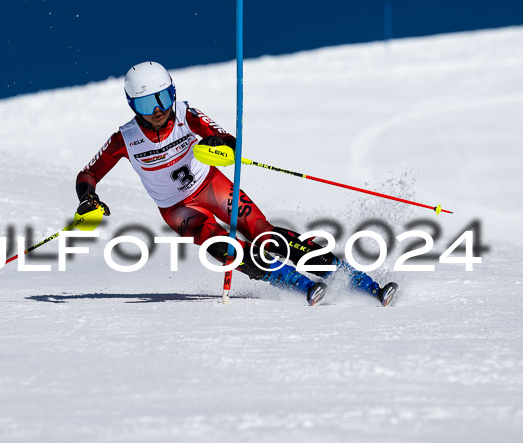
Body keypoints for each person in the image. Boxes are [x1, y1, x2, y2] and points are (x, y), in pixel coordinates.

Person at [75, 61, 397, 306]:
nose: (159, 110)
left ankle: (362, 283)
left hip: (211, 186)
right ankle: (298, 285)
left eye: (163, 98)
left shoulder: (187, 116)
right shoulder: (125, 138)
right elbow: (87, 175)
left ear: (173, 93)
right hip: (177, 209)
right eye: (148, 104)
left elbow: (228, 139)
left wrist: (220, 143)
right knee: (221, 244)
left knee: (264, 234)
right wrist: (88, 197)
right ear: (133, 106)